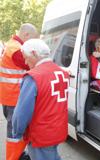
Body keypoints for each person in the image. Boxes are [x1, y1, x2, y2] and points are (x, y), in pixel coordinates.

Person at [12, 39, 69, 160]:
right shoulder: (62, 73)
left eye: (26, 57)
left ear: (34, 53)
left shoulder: (34, 77)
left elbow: (22, 112)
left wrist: (17, 131)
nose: (26, 62)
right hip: (58, 129)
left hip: (41, 134)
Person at [0, 23, 39, 160]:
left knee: (15, 130)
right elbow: (32, 64)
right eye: (32, 39)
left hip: (9, 96)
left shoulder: (12, 45)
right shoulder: (17, 50)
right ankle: (13, 157)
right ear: (26, 35)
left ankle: (18, 155)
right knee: (15, 134)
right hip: (14, 98)